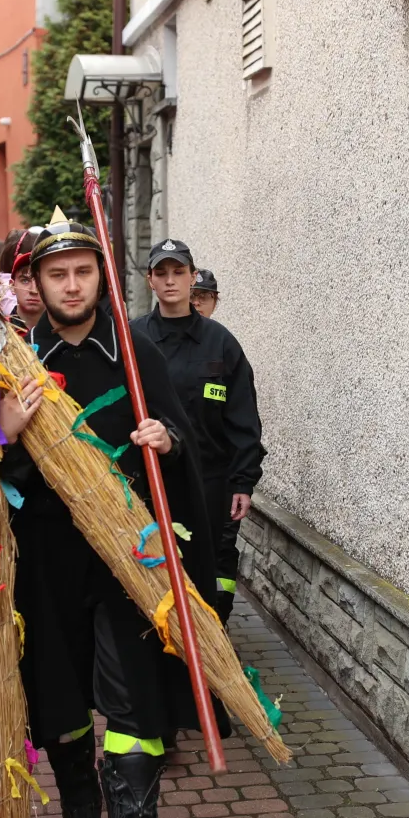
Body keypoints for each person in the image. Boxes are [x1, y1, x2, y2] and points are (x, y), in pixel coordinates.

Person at [0, 215, 227, 818]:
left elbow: (183, 436)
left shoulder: (133, 351)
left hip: (126, 549)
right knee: (55, 677)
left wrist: (167, 440)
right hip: (46, 548)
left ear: (102, 278)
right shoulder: (15, 359)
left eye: (83, 272)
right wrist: (4, 432)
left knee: (135, 684)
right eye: (57, 274)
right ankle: (78, 802)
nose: (71, 285)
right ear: (34, 282)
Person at [132, 241, 265, 625]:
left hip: (210, 483)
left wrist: (243, 482)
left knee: (209, 574)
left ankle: (212, 645)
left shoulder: (220, 343)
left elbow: (242, 418)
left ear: (193, 278)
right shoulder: (132, 338)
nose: (171, 281)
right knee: (154, 567)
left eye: (179, 272)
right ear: (150, 281)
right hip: (150, 480)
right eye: (162, 273)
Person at [0, 226, 45, 330]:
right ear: (11, 285)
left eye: (39, 281)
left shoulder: (66, 333)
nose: (33, 290)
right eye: (25, 280)